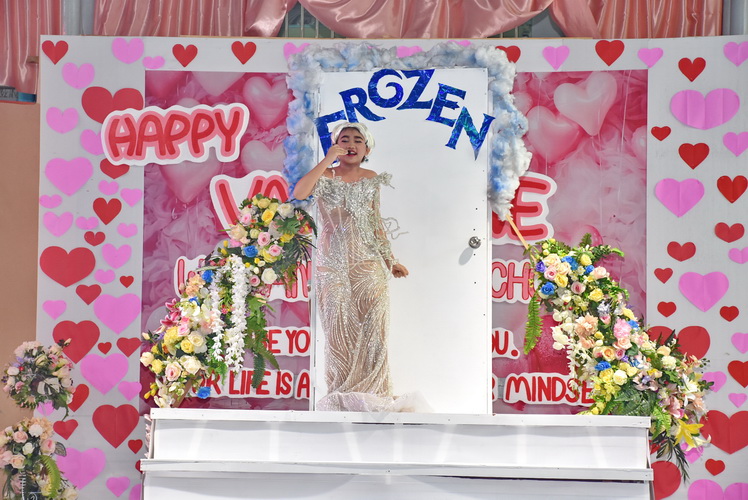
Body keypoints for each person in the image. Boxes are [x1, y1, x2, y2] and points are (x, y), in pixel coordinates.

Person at [293, 122, 415, 412]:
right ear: (335, 145)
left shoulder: (371, 179)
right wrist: (327, 160)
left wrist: (391, 261)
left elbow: (375, 222)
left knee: (375, 330)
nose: (351, 144)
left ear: (367, 149)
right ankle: (342, 395)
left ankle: (376, 395)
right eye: (344, 139)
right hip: (332, 265)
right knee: (338, 330)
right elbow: (300, 192)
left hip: (368, 264)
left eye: (357, 140)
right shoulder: (325, 175)